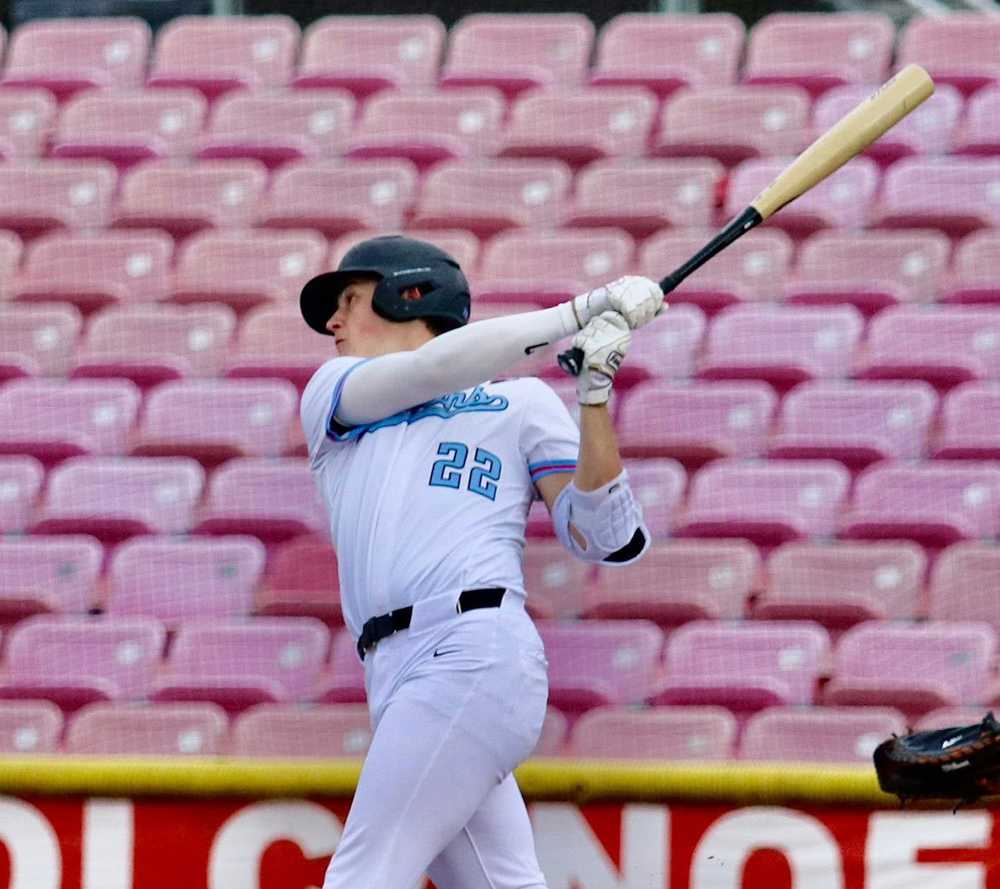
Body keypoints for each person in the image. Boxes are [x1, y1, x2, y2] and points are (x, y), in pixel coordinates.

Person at [298, 234, 663, 889]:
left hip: (471, 648)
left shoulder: (519, 404)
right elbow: (432, 370)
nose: (333, 322)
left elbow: (606, 537)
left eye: (348, 300)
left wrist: (594, 399)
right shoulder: (334, 393)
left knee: (363, 877)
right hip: (393, 670)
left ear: (409, 294)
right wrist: (582, 310)